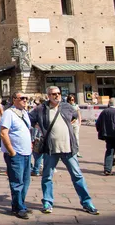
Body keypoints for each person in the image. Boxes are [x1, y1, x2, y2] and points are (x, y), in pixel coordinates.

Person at [29, 86, 99, 215]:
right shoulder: (40, 109)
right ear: (48, 96)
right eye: (54, 94)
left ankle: (87, 202)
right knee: (47, 177)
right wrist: (36, 125)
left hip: (68, 148)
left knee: (77, 175)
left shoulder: (66, 107)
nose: (57, 96)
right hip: (51, 149)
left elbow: (74, 116)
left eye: (59, 93)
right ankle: (47, 202)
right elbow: (29, 119)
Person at [0, 92, 32, 219]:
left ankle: (19, 205)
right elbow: (3, 133)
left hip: (26, 153)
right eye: (22, 98)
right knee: (17, 182)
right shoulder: (9, 113)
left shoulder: (24, 113)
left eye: (26, 98)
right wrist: (11, 151)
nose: (25, 100)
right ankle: (19, 208)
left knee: (26, 181)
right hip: (16, 154)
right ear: (14, 100)